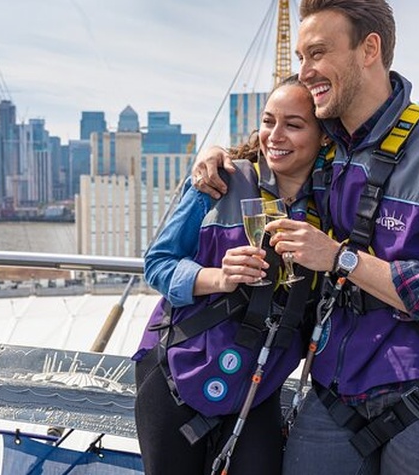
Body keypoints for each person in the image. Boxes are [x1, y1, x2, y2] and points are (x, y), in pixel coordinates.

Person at [191, 0, 419, 475]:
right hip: (338, 383)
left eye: (317, 53)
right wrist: (216, 155)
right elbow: (274, 148)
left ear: (370, 49)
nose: (305, 71)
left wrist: (341, 259)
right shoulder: (329, 147)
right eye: (299, 57)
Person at [132, 75, 331, 475]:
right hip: (176, 367)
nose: (275, 135)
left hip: (256, 387)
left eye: (293, 125)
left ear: (324, 137)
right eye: (268, 121)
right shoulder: (220, 181)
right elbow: (158, 263)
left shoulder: (334, 205)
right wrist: (217, 277)